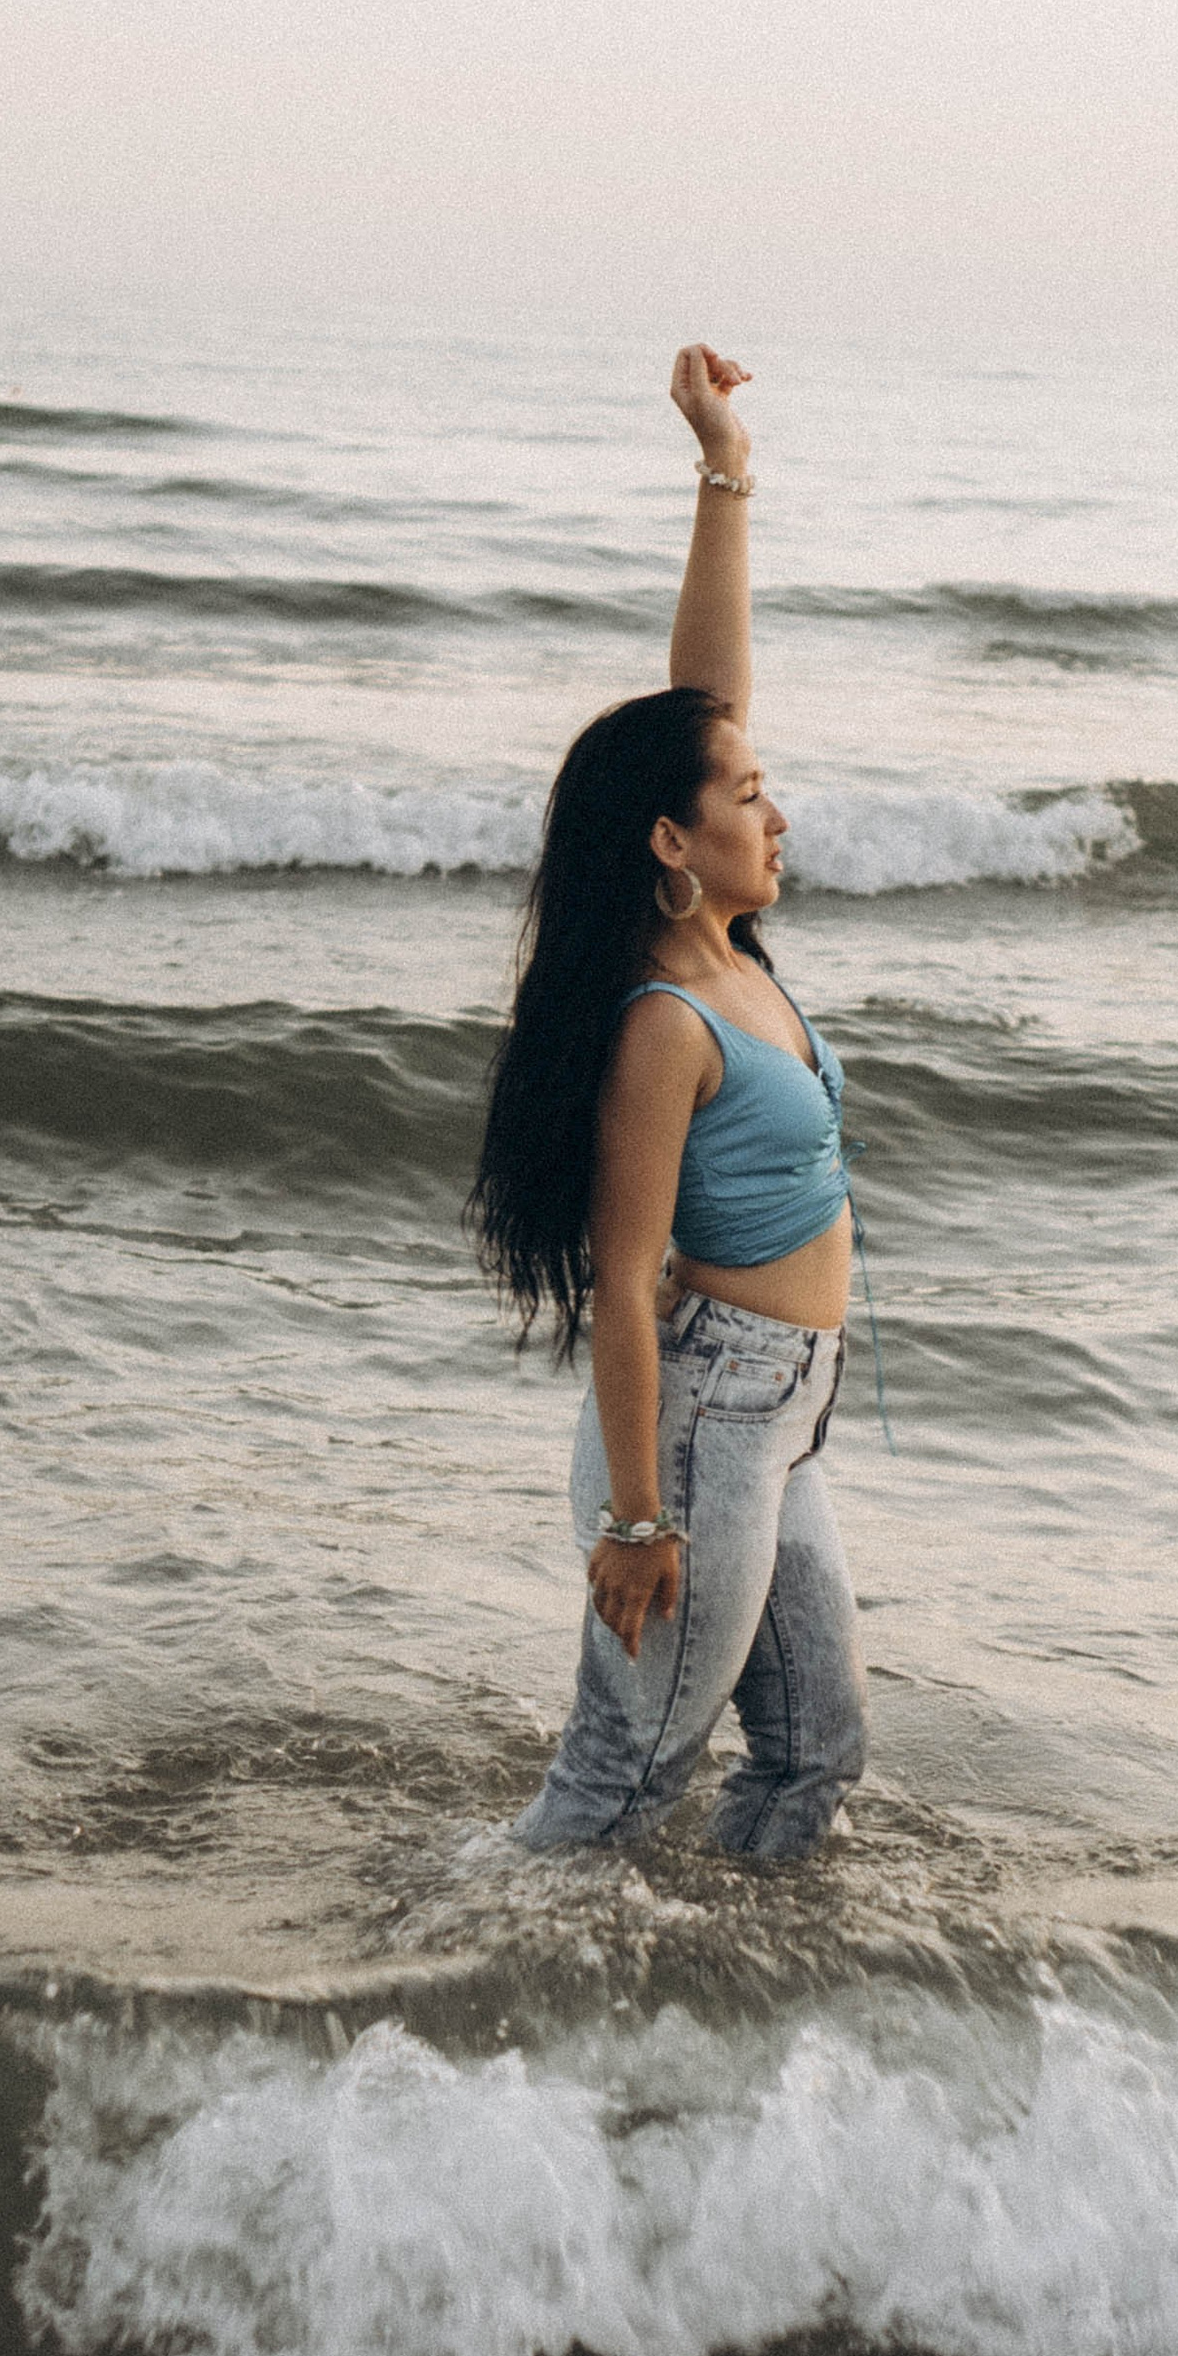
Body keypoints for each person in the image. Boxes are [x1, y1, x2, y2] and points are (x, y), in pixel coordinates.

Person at [469, 344, 868, 1861]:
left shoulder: (730, 946)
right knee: (623, 1780)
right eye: (747, 796)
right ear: (671, 842)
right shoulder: (662, 1017)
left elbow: (707, 687)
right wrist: (639, 1521)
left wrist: (724, 464)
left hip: (782, 1415)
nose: (776, 809)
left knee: (813, 1757)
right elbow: (623, 1286)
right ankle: (449, 2007)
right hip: (700, 1423)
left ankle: (718, 2050)